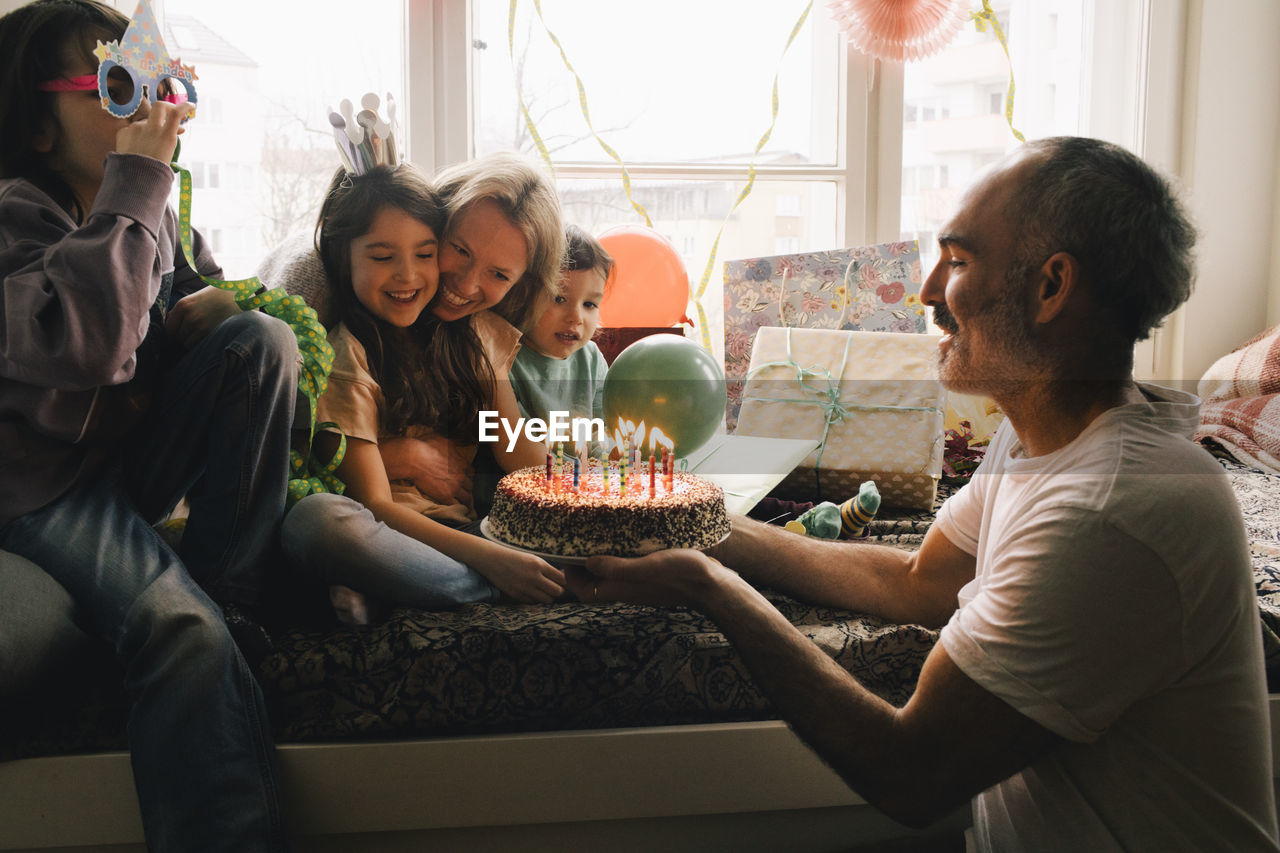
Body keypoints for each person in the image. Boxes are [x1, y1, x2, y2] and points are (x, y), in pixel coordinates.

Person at [568, 137, 1280, 850]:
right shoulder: (1038, 432)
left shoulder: (1113, 508)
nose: (930, 290)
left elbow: (910, 770)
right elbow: (922, 580)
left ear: (1051, 287)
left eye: (960, 260)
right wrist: (704, 526)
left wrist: (710, 585)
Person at [0, 1, 296, 850]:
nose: (145, 112)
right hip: (43, 488)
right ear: (38, 121)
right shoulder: (18, 211)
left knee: (260, 341)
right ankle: (208, 624)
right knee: (182, 631)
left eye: (158, 88)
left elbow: (199, 308)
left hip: (123, 457)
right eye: (113, 89)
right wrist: (135, 185)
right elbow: (89, 347)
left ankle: (232, 591)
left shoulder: (157, 210)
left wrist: (220, 299)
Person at [281, 154, 568, 620]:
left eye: (499, 274)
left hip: (468, 536)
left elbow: (520, 454)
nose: (466, 284)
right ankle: (486, 587)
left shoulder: (477, 334)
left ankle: (402, 590)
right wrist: (498, 565)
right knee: (316, 522)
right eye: (459, 250)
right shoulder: (347, 350)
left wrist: (597, 489)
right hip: (397, 538)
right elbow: (370, 502)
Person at [507, 223, 611, 442]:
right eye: (559, 298)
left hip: (579, 475)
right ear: (525, 295)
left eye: (589, 304)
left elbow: (599, 436)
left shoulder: (591, 359)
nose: (576, 317)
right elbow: (520, 444)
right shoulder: (506, 359)